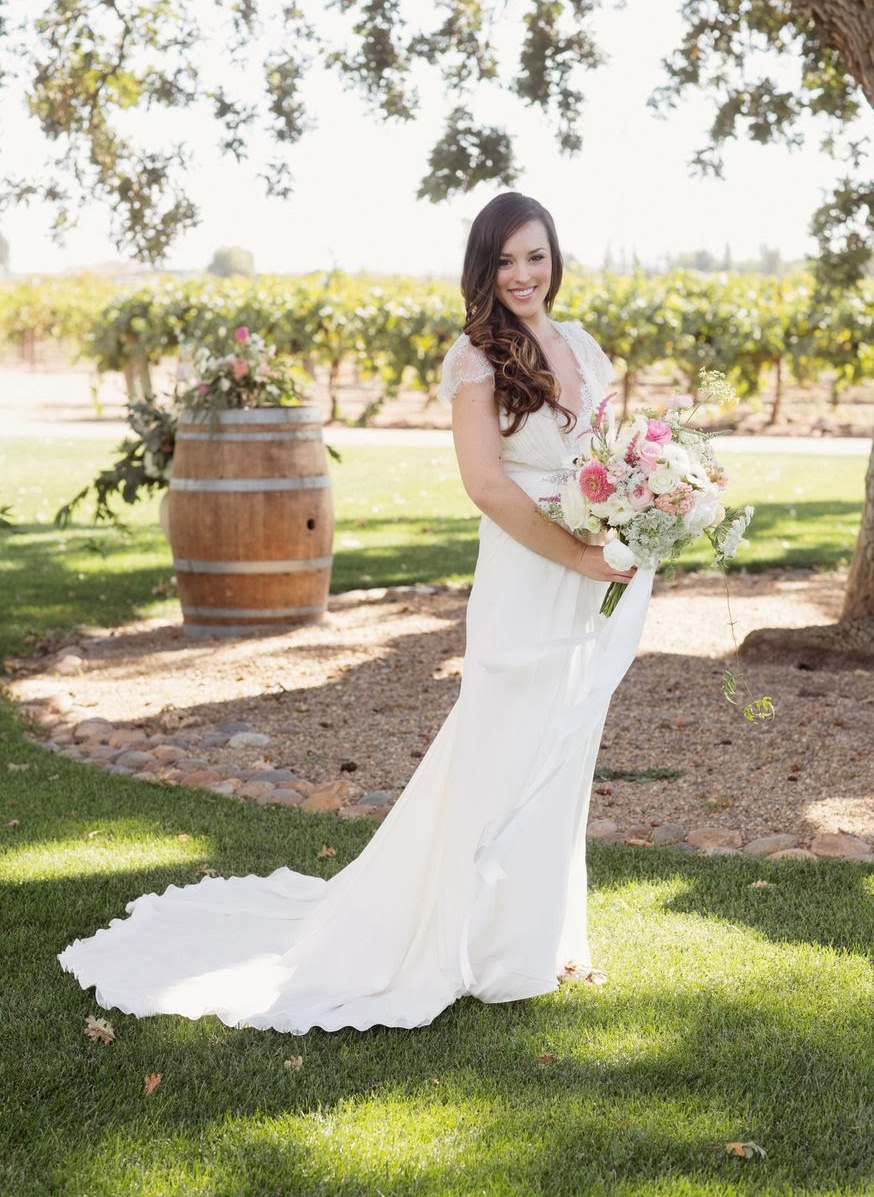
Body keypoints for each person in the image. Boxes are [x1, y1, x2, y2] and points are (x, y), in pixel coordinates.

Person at [58, 192, 654, 1034]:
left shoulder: (583, 346)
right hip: (528, 570)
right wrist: (579, 554)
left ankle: (534, 937)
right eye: (505, 260)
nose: (523, 275)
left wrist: (639, 512)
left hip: (583, 569)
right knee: (498, 745)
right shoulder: (475, 358)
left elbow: (602, 459)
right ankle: (457, 940)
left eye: (535, 255)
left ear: (555, 257)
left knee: (563, 739)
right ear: (481, 271)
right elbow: (487, 485)